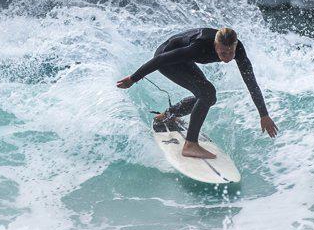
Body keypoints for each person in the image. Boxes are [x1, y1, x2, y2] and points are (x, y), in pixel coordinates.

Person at [116, 27, 278, 159]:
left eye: (230, 53)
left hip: (182, 58)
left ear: (235, 46)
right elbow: (160, 60)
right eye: (222, 53)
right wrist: (133, 78)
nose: (227, 57)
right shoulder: (199, 47)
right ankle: (190, 145)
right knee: (207, 93)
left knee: (208, 97)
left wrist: (263, 114)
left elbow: (251, 82)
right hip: (165, 57)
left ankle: (168, 116)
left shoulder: (239, 50)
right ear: (215, 46)